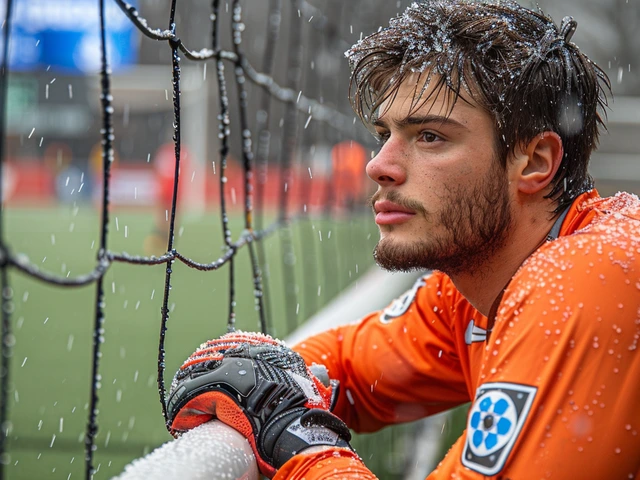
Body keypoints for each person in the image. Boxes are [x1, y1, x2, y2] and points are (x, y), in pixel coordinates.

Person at [166, 1, 640, 479]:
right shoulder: (475, 285)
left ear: (535, 162)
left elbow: (301, 413)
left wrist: (298, 445)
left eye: (430, 136)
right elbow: (347, 370)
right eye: (384, 133)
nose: (378, 166)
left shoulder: (584, 282)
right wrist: (261, 375)